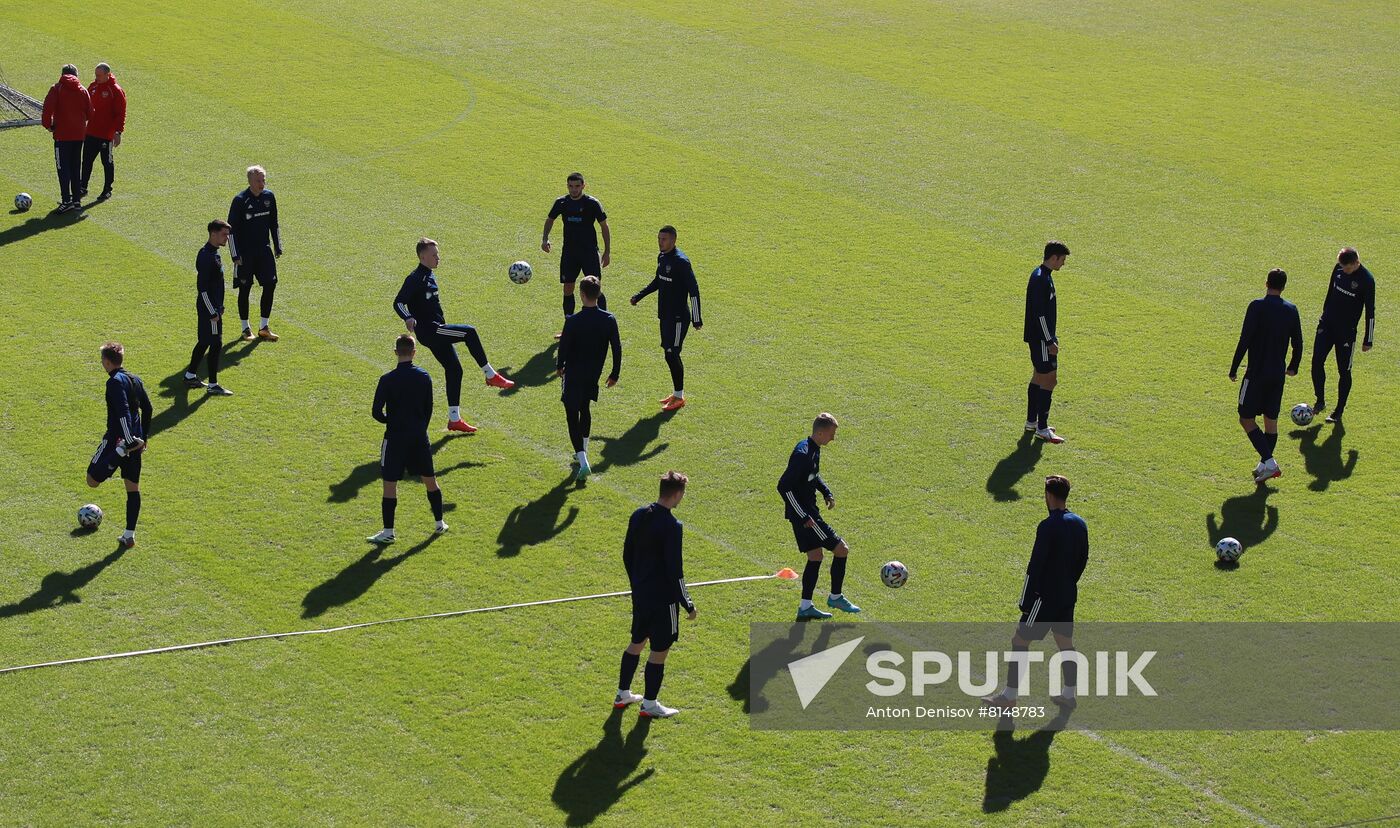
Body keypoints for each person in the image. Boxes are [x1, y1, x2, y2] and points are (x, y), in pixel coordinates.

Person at [982, 475, 1089, 712]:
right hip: (1067, 595)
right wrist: (1068, 583)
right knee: (1065, 643)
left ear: (1049, 495)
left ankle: (1009, 697)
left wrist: (1026, 601)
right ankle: (1068, 695)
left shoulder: (1048, 526)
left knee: (1020, 640)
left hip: (1044, 599)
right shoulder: (1080, 523)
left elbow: (1035, 566)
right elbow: (1083, 560)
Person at [394, 238, 515, 434]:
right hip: (430, 331)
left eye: (438, 254)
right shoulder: (415, 278)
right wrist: (407, 317)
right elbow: (398, 302)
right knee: (470, 332)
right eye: (434, 255)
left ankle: (454, 419)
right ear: (422, 256)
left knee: (454, 370)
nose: (438, 258)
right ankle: (491, 375)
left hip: (436, 329)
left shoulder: (430, 275)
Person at [616, 471, 696, 719]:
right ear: (677, 494)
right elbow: (675, 570)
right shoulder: (673, 526)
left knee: (637, 642)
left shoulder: (639, 514)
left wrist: (636, 584)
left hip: (641, 595)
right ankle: (650, 704)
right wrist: (687, 603)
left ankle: (623, 693)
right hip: (664, 601)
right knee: (659, 650)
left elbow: (627, 555)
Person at [366, 335, 449, 544]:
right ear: (414, 352)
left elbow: (376, 411)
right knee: (430, 480)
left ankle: (388, 532)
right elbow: (429, 407)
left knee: (390, 483)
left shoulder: (387, 380)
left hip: (395, 437)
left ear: (396, 352)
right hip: (419, 436)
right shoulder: (424, 376)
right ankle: (440, 523)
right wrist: (420, 426)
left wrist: (390, 421)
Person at [778, 413, 858, 620]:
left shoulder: (813, 448)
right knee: (842, 549)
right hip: (808, 518)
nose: (833, 438)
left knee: (815, 557)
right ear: (820, 432)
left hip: (807, 514)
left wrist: (825, 491)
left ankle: (805, 607)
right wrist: (803, 516)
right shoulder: (803, 454)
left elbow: (812, 474)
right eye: (831, 434)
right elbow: (784, 487)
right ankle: (836, 596)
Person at [1231, 268, 1304, 484]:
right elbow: (1298, 342)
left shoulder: (1256, 307)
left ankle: (1270, 462)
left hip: (1256, 373)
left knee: (1245, 417)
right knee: (1270, 420)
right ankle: (1264, 467)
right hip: (1277, 374)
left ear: (1266, 283)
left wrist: (1234, 367)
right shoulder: (1291, 310)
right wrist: (1293, 366)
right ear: (1283, 286)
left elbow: (1245, 338)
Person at [86, 342, 153, 549]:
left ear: (107, 362)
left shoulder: (114, 382)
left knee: (92, 480)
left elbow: (123, 412)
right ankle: (129, 535)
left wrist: (127, 442)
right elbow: (148, 409)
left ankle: (119, 452)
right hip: (136, 442)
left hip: (119, 439)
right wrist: (143, 438)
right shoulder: (135, 379)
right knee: (132, 488)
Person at [631, 225, 702, 411]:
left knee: (672, 353)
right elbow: (658, 281)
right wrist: (639, 295)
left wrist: (697, 318)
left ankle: (679, 396)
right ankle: (677, 394)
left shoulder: (682, 262)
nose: (660, 242)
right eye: (659, 239)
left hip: (679, 317)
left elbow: (694, 290)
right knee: (668, 353)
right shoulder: (662, 257)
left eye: (664, 239)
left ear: (673, 240)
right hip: (665, 315)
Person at [556, 276, 621, 481]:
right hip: (594, 374)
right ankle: (582, 450)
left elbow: (564, 348)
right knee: (585, 408)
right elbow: (617, 348)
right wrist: (614, 373)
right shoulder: (609, 319)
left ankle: (583, 461)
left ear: (581, 295)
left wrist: (559, 367)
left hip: (574, 374)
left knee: (571, 413)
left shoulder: (573, 321)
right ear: (599, 294)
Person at [1311, 247, 1377, 425]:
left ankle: (1338, 410)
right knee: (1317, 361)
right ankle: (1320, 401)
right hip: (1327, 325)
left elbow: (1370, 311)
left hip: (1346, 332)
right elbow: (1330, 292)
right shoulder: (1338, 268)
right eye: (1342, 267)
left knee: (1344, 371)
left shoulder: (1367, 280)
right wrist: (1324, 314)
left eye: (1347, 268)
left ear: (1356, 263)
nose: (1344, 271)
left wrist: (1368, 339)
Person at [543, 172, 611, 335]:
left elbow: (604, 226)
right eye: (570, 186)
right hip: (570, 254)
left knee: (595, 288)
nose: (574, 189)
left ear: (583, 186)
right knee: (568, 288)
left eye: (577, 186)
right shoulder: (561, 202)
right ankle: (570, 327)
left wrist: (607, 251)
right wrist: (545, 238)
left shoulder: (592, 203)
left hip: (589, 252)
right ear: (567, 186)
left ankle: (603, 326)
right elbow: (550, 219)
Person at [227, 165, 283, 341]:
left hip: (263, 250)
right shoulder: (240, 200)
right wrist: (235, 256)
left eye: (263, 180)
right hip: (245, 253)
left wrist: (277, 245)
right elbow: (231, 231)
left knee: (270, 284)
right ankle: (245, 329)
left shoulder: (269, 197)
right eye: (258, 180)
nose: (262, 183)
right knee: (245, 288)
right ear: (250, 181)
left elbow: (274, 223)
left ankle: (264, 327)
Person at [1024, 241, 1070, 443]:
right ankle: (1042, 428)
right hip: (1042, 339)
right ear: (1054, 258)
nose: (1063, 264)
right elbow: (1040, 315)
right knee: (1050, 380)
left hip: (1038, 338)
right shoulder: (1041, 280)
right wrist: (1049, 340)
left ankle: (1031, 422)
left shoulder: (1041, 275)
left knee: (1037, 377)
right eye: (1062, 259)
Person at [183, 220, 235, 395]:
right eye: (224, 234)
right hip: (210, 311)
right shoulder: (207, 257)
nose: (227, 238)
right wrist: (213, 311)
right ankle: (213, 385)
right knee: (216, 343)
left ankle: (190, 375)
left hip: (213, 308)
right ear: (213, 234)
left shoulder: (213, 253)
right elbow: (202, 289)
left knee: (205, 341)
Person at [40, 64, 91, 213]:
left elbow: (47, 110)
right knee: (75, 167)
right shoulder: (83, 90)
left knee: (63, 168)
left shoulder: (56, 89)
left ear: (62, 74)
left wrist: (48, 126)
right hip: (79, 135)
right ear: (76, 75)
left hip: (62, 136)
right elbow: (90, 113)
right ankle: (76, 201)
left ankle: (66, 200)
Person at [80, 62, 125, 201]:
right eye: (95, 75)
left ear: (107, 74)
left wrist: (118, 132)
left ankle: (107, 189)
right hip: (90, 132)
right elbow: (85, 105)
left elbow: (121, 113)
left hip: (106, 135)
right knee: (86, 161)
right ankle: (83, 187)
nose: (96, 77)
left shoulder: (115, 90)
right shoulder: (93, 86)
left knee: (107, 162)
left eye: (99, 75)